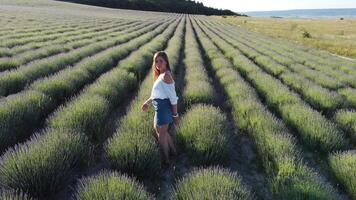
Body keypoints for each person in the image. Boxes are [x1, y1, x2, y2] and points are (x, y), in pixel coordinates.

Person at [141, 51, 179, 166]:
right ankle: (174, 152)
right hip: (159, 108)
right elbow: (155, 94)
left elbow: (173, 98)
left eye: (161, 61)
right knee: (161, 132)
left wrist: (175, 115)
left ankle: (166, 161)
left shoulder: (166, 76)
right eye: (156, 61)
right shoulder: (161, 75)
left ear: (166, 62)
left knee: (161, 135)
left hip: (163, 109)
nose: (158, 63)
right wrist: (147, 102)